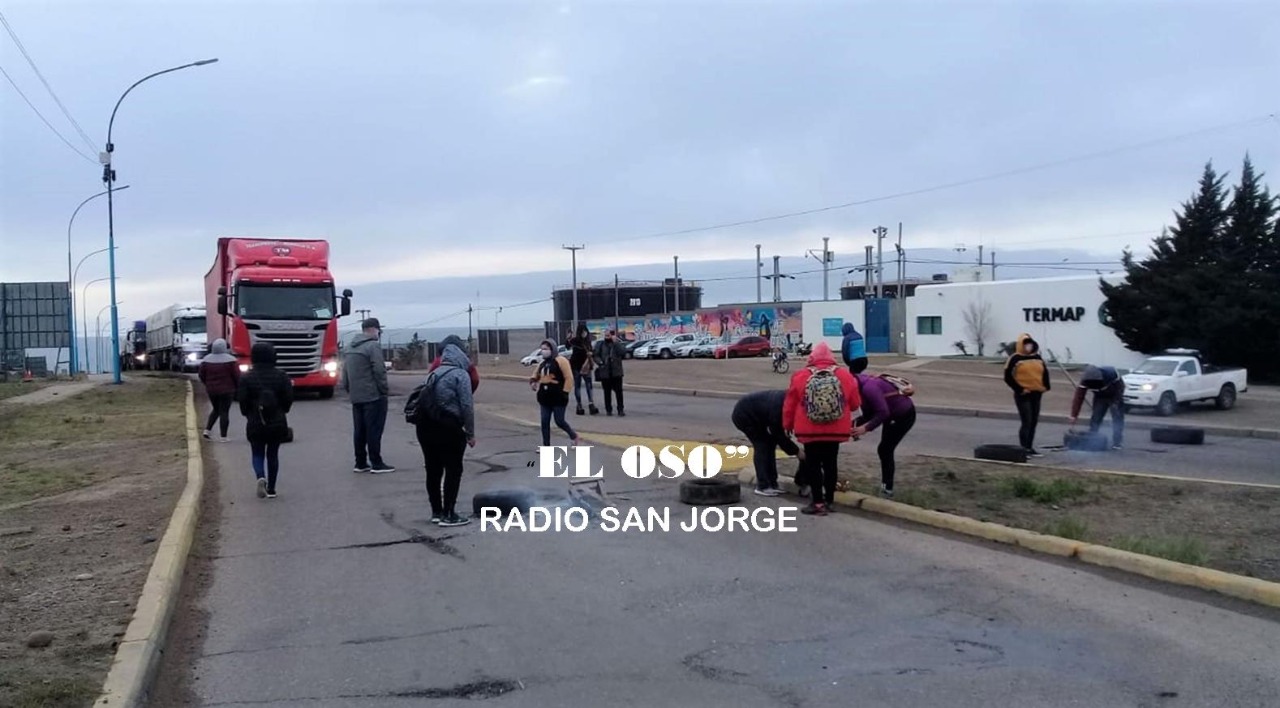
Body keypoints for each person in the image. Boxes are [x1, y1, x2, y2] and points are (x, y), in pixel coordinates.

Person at [782, 342, 861, 516]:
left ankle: (817, 503)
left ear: (811, 357)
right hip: (837, 430)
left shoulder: (800, 376)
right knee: (831, 464)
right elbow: (855, 404)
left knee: (813, 466)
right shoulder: (845, 376)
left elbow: (790, 404)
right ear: (832, 357)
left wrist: (787, 425)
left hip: (808, 430)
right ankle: (830, 501)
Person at [415, 340, 477, 527]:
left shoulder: (433, 374)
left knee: (433, 470)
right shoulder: (460, 375)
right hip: (448, 427)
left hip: (424, 427)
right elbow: (467, 405)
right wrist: (470, 433)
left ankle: (436, 512)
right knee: (453, 469)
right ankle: (449, 514)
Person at [236, 342, 294, 499]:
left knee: (257, 452)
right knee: (273, 454)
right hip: (277, 421)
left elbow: (242, 399)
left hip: (256, 421)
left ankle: (260, 476)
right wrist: (282, 410)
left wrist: (247, 414)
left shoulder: (247, 377)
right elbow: (288, 398)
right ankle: (272, 489)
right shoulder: (281, 376)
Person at [342, 318, 395, 474]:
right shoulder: (372, 346)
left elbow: (344, 373)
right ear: (373, 329)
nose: (379, 333)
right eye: (379, 330)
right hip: (373, 395)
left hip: (356, 395)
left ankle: (360, 462)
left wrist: (349, 389)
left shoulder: (350, 347)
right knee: (374, 430)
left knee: (359, 430)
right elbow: (379, 370)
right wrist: (384, 390)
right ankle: (376, 463)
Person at [852, 373, 917, 498]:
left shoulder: (869, 388)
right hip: (891, 414)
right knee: (884, 449)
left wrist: (865, 428)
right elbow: (869, 414)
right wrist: (853, 425)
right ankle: (886, 487)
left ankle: (887, 489)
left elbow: (883, 413)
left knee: (885, 450)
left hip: (903, 415)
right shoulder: (860, 384)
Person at [731, 390, 803, 497]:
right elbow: (778, 434)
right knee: (762, 445)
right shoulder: (778, 408)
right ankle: (763, 485)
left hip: (756, 416)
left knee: (770, 444)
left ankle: (772, 484)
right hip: (744, 415)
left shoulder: (788, 401)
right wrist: (796, 451)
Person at [1003, 333, 1051, 456]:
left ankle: (1029, 448)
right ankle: (1023, 449)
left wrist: (1046, 386)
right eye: (1026, 345)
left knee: (1034, 421)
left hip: (1037, 393)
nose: (1028, 347)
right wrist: (1019, 389)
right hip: (1023, 394)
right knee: (1027, 421)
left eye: (1030, 345)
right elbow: (1008, 377)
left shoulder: (1037, 358)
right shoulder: (1015, 359)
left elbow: (1045, 372)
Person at [529, 339, 580, 446]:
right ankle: (546, 445)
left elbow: (569, 378)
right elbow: (536, 374)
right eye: (542, 349)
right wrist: (533, 381)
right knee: (544, 422)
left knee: (559, 421)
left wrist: (565, 392)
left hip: (558, 397)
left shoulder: (561, 361)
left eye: (546, 349)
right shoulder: (543, 363)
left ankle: (573, 435)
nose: (544, 351)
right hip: (544, 397)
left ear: (552, 349)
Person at [1069, 365, 1126, 450]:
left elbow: (1121, 388)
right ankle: (1092, 438)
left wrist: (1116, 402)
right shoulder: (1085, 381)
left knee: (1117, 417)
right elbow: (1078, 398)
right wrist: (1074, 415)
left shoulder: (1111, 375)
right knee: (1096, 416)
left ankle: (1117, 442)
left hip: (1114, 395)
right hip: (1100, 397)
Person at [198, 338, 239, 442]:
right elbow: (236, 375)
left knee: (216, 409)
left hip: (212, 390)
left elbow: (201, 375)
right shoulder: (231, 361)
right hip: (227, 390)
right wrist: (237, 387)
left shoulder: (206, 361)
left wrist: (207, 384)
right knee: (224, 411)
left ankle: (207, 430)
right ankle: (223, 436)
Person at [593, 329, 628, 417]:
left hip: (616, 372)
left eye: (610, 335)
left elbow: (623, 352)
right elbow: (596, 355)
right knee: (607, 392)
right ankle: (608, 409)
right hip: (605, 372)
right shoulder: (600, 344)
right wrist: (600, 362)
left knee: (619, 392)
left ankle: (620, 409)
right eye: (606, 335)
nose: (608, 337)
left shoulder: (616, 344)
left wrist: (616, 342)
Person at [568, 325, 599, 416]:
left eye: (585, 331)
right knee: (581, 386)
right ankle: (582, 405)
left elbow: (593, 351)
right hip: (578, 366)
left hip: (583, 366)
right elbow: (567, 346)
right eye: (583, 332)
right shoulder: (578, 341)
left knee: (585, 386)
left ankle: (587, 404)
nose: (584, 333)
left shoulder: (586, 341)